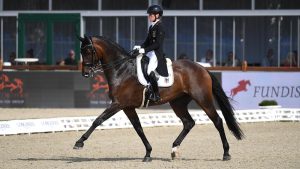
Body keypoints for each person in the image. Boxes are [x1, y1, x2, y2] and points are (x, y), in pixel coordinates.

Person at [133, 5, 168, 102]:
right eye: (149, 15)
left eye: (151, 15)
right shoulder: (152, 27)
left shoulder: (160, 27)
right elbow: (147, 42)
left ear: (157, 15)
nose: (149, 16)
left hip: (156, 53)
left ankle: (156, 95)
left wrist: (144, 50)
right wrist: (140, 47)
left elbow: (157, 44)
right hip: (150, 52)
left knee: (149, 71)